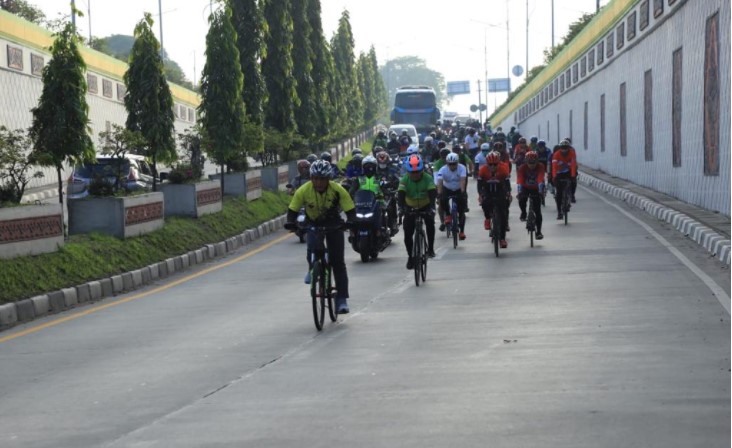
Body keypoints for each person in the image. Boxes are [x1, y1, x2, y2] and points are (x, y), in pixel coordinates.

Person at [286, 160, 355, 314]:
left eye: (322, 179)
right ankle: (312, 268)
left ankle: (342, 299)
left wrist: (350, 222)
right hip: (313, 224)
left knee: (338, 262)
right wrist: (290, 223)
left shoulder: (337, 190)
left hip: (334, 224)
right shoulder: (303, 190)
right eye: (315, 178)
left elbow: (350, 209)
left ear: (328, 179)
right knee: (312, 247)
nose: (319, 182)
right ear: (311, 178)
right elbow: (292, 210)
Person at [398, 155, 437, 269]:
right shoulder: (404, 179)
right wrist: (401, 208)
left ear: (422, 170)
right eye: (412, 172)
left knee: (430, 223)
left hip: (425, 205)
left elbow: (432, 193)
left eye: (417, 172)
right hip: (410, 207)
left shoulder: (428, 178)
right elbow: (401, 195)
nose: (414, 175)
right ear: (408, 171)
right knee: (407, 233)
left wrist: (432, 207)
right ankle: (410, 256)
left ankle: (430, 249)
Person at [478, 152, 510, 249]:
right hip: (487, 189)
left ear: (498, 163)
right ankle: (487, 218)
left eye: (495, 164)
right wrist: (480, 195)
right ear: (487, 163)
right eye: (490, 165)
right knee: (485, 202)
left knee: (503, 214)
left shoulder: (503, 169)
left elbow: (507, 184)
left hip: (500, 189)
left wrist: (508, 193)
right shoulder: (483, 170)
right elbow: (479, 185)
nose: (492, 167)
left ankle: (502, 239)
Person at [349, 155, 386, 233]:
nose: (369, 168)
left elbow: (384, 187)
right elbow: (352, 190)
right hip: (361, 204)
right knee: (352, 217)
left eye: (371, 166)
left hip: (377, 203)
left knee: (384, 213)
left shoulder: (379, 178)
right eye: (367, 166)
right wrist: (351, 194)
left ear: (375, 167)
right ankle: (353, 232)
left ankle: (381, 231)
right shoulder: (359, 179)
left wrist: (387, 189)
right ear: (363, 167)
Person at [436, 153, 468, 239]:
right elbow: (439, 182)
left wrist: (462, 192)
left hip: (458, 189)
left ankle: (462, 231)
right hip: (447, 188)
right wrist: (439, 193)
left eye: (454, 164)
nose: (452, 166)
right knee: (442, 200)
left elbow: (462, 180)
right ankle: (448, 215)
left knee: (462, 211)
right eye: (450, 164)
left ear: (457, 163)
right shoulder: (442, 170)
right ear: (447, 163)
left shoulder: (462, 168)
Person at [516, 151, 546, 240]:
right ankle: (524, 213)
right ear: (526, 161)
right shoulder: (522, 168)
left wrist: (541, 192)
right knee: (522, 199)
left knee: (537, 211)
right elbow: (520, 180)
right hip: (525, 187)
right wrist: (519, 192)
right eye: (529, 163)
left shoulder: (540, 166)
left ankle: (539, 232)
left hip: (537, 188)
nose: (531, 165)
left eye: (533, 163)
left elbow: (541, 177)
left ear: (537, 161)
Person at [551, 139, 578, 220]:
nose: (564, 150)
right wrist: (554, 176)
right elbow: (554, 167)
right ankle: (559, 212)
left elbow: (573, 165)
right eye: (562, 148)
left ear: (568, 148)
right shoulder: (556, 154)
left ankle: (571, 195)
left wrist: (573, 176)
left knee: (573, 182)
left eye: (566, 148)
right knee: (558, 194)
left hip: (568, 172)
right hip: (559, 173)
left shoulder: (571, 153)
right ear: (560, 148)